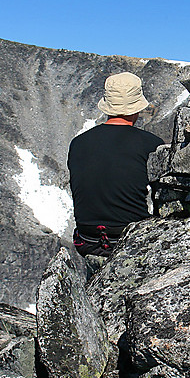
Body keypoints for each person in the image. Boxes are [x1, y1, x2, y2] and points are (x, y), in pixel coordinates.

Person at [68, 72, 164, 260]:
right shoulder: (151, 144)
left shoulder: (78, 142)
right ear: (136, 107)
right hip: (130, 239)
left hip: (86, 240)